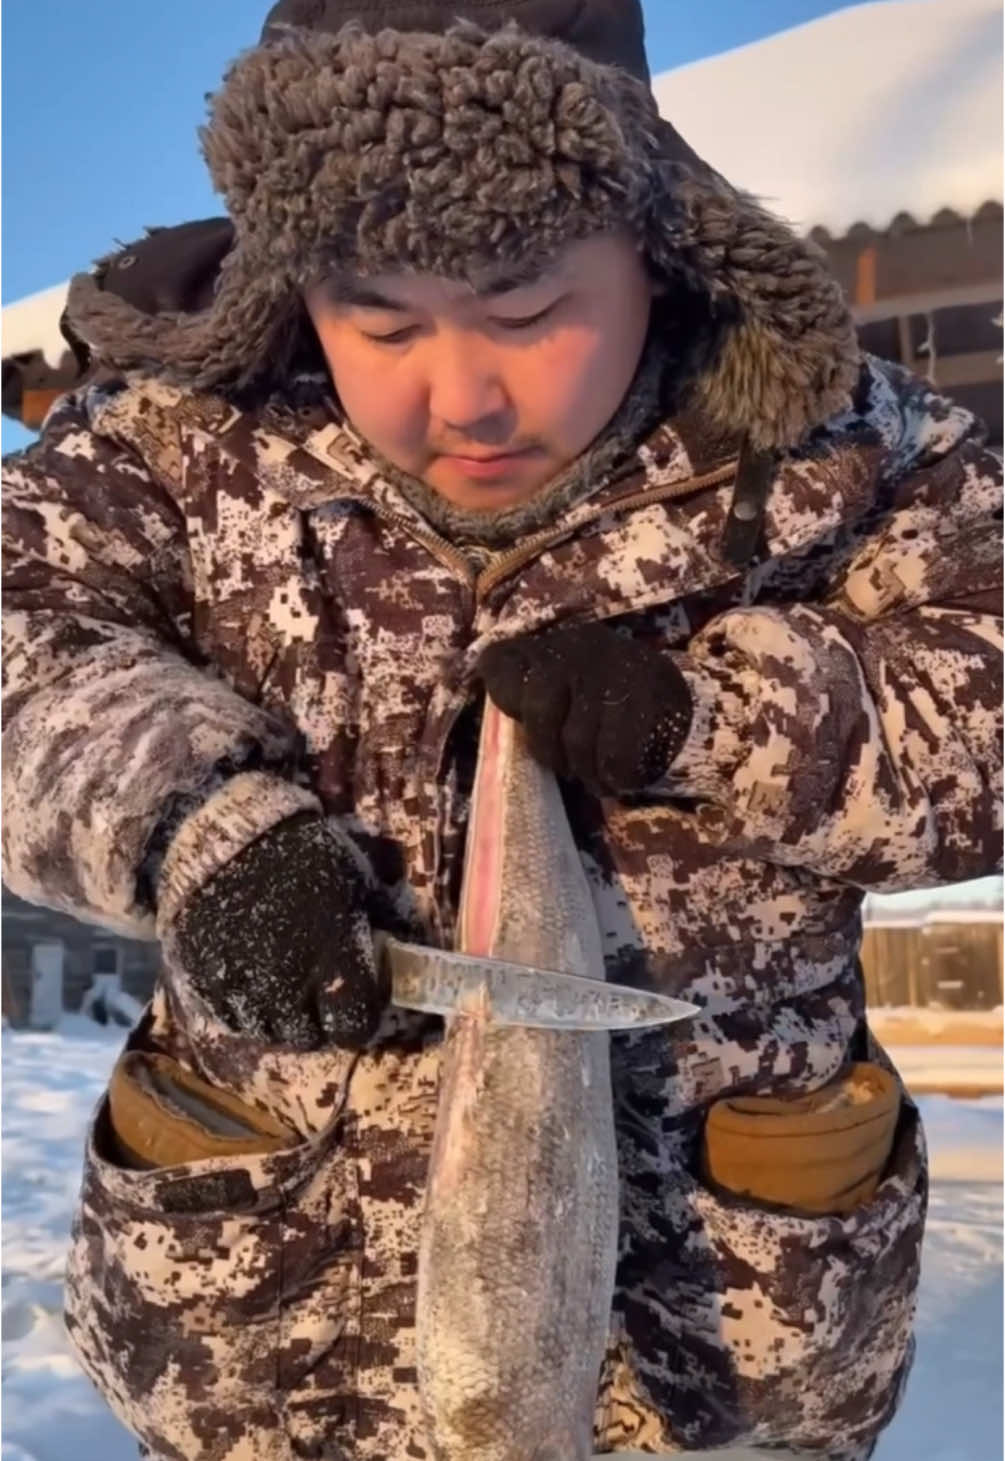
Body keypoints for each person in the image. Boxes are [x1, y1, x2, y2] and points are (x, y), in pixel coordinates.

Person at [2, 3, 1001, 1458]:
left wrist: (719, 719)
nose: (459, 394)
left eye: (527, 312)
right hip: (268, 1331)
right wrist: (192, 825)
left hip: (724, 1342)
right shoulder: (166, 445)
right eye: (381, 321)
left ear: (656, 250)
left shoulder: (848, 453)